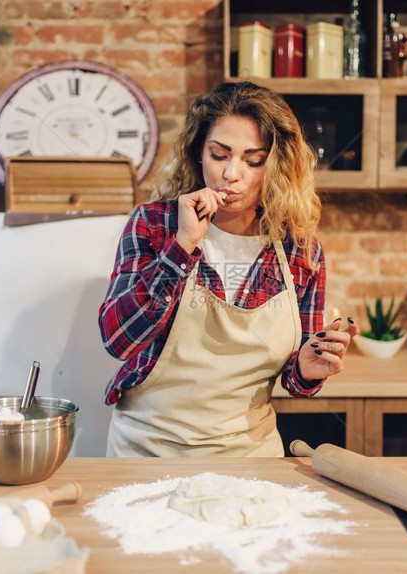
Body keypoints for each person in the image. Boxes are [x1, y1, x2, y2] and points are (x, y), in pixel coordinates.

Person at [98, 81, 359, 457]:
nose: (231, 174)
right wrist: (183, 244)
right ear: (198, 153)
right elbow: (117, 340)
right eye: (219, 154)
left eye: (253, 160)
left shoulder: (301, 251)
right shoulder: (154, 224)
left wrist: (306, 368)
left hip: (250, 457)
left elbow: (294, 378)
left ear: (276, 166)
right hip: (147, 452)